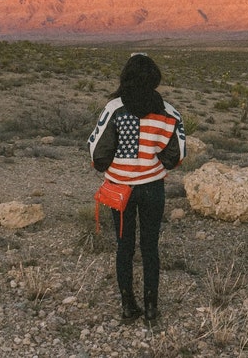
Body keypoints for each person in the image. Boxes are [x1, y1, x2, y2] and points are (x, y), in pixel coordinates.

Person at [88, 53, 186, 323]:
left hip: (120, 188)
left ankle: (128, 305)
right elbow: (176, 154)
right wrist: (155, 163)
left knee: (124, 246)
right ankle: (152, 307)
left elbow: (98, 152)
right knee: (150, 246)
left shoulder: (115, 108)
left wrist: (112, 167)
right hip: (152, 187)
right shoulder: (168, 111)